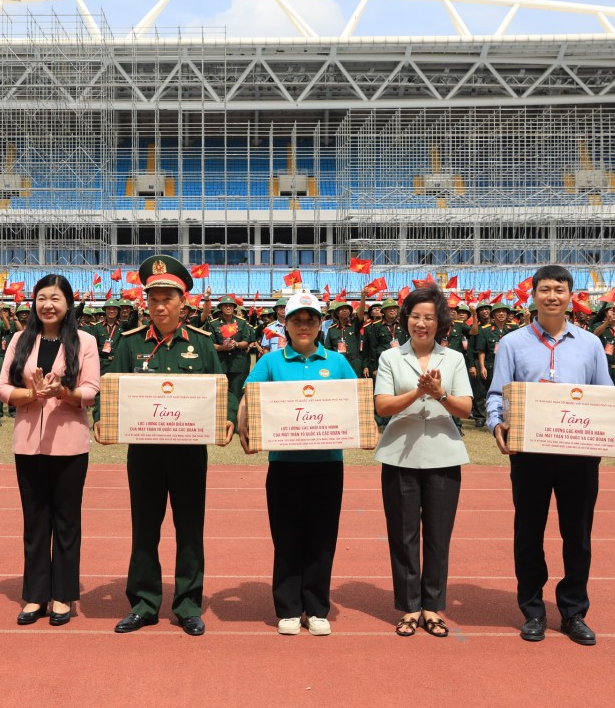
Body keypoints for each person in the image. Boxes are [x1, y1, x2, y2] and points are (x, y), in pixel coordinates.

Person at [98, 255, 234, 637]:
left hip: (190, 453)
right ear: (146, 302)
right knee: (145, 528)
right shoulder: (129, 345)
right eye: (153, 298)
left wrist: (226, 415)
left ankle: (188, 604)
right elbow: (111, 389)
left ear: (183, 302)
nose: (160, 305)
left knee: (190, 528)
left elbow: (221, 389)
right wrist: (101, 419)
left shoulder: (204, 345)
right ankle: (143, 603)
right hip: (144, 453)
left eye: (168, 298)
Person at [488, 265, 611, 646]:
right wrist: (497, 425)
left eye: (559, 289)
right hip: (529, 454)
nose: (552, 296)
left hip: (579, 455)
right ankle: (533, 610)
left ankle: (573, 611)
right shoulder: (512, 343)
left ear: (571, 295)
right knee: (528, 533)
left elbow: (605, 396)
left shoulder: (590, 344)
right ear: (534, 295)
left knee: (578, 534)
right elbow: (497, 394)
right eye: (545, 289)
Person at [233, 291, 357, 636]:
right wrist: (244, 430)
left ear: (321, 324)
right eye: (297, 320)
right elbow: (250, 397)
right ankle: (288, 607)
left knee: (321, 536)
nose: (304, 326)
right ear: (284, 324)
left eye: (311, 320)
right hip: (284, 463)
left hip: (328, 463)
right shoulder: (271, 362)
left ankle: (316, 608)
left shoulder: (337, 362)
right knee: (286, 535)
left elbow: (357, 402)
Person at [0, 275, 101, 627]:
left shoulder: (85, 341)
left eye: (55, 298)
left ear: (68, 304)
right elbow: (3, 387)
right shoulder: (19, 340)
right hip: (28, 443)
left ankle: (63, 594)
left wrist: (62, 393)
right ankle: (36, 595)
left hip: (70, 444)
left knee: (67, 522)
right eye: (42, 297)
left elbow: (90, 390)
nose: (48, 305)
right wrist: (32, 396)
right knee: (35, 521)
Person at [373, 286, 473, 638]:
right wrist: (418, 391)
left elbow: (466, 407)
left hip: (444, 453)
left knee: (437, 536)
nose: (421, 323)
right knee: (403, 536)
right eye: (415, 316)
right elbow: (382, 406)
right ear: (406, 320)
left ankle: (432, 606)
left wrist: (440, 394)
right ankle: (409, 608)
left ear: (440, 322)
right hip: (400, 453)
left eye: (429, 317)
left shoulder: (454, 359)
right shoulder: (390, 358)